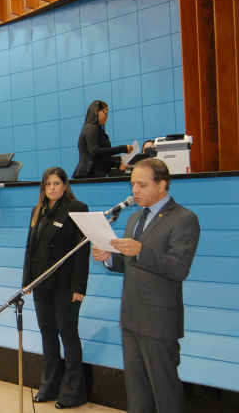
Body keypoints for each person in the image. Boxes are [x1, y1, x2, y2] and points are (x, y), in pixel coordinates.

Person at [91, 158, 200, 413]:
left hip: (159, 320)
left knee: (165, 390)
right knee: (137, 390)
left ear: (162, 185)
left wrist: (140, 252)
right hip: (131, 316)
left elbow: (178, 268)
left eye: (141, 184)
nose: (134, 191)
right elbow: (130, 263)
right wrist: (110, 259)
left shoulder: (184, 219)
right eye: (132, 185)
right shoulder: (134, 218)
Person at [22, 167, 90, 409]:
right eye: (48, 184)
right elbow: (30, 249)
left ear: (65, 186)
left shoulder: (76, 208)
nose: (52, 188)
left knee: (68, 335)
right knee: (47, 334)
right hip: (41, 285)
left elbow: (83, 251)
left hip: (66, 286)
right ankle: (49, 387)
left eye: (57, 183)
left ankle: (73, 393)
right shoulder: (37, 211)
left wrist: (79, 286)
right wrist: (27, 281)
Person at [72, 100, 133, 179]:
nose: (107, 116)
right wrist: (121, 148)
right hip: (88, 174)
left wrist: (116, 164)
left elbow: (99, 158)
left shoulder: (96, 129)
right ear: (95, 111)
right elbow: (95, 152)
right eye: (105, 112)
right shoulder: (92, 128)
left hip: (93, 174)